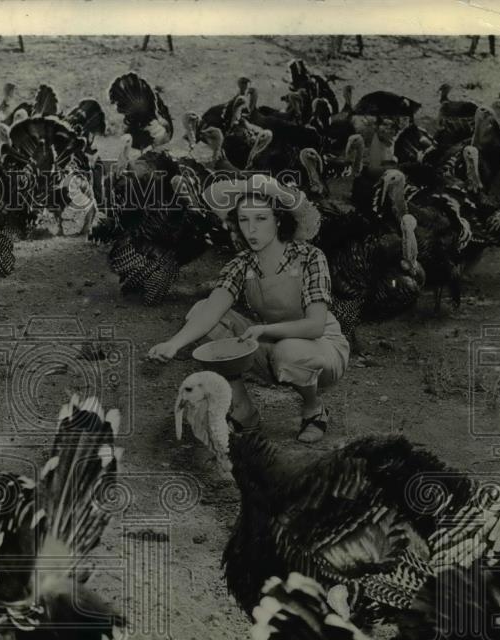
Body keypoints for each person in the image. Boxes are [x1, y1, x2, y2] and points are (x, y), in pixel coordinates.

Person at [148, 176, 349, 443]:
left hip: (321, 349)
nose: (251, 229)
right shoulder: (242, 263)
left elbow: (315, 325)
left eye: (261, 219)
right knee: (200, 310)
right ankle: (244, 412)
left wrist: (265, 329)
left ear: (279, 220)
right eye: (244, 220)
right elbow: (212, 309)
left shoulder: (310, 257)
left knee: (289, 351)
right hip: (269, 344)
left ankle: (314, 410)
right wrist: (174, 344)